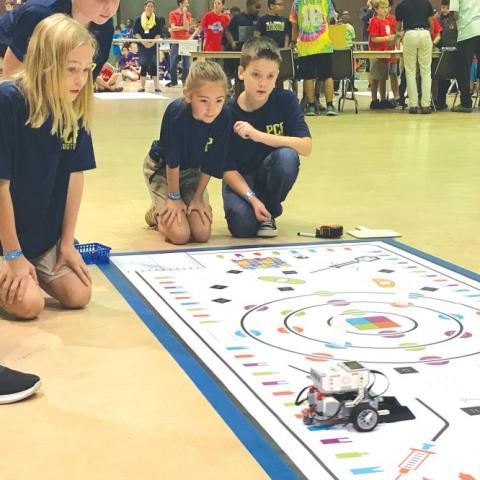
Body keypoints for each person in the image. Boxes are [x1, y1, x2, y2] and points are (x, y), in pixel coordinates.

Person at [0, 13, 96, 321]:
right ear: (45, 62)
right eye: (71, 70)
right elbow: (0, 185)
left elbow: (74, 176)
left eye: (86, 70)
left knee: (79, 295)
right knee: (29, 306)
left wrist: (66, 242)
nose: (80, 80)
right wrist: (13, 255)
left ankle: (29, 267)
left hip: (41, 237)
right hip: (6, 239)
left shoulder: (74, 107)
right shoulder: (9, 101)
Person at [222, 37, 312, 238]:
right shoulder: (227, 113)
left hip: (270, 171)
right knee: (243, 227)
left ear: (277, 76)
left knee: (287, 157)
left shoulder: (285, 100)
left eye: (270, 76)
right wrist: (252, 199)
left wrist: (257, 135)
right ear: (241, 72)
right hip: (241, 179)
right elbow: (226, 168)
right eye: (256, 75)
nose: (263, 83)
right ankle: (257, 207)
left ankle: (269, 210)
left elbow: (306, 147)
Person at [143, 60, 231, 245]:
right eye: (204, 101)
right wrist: (174, 198)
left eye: (219, 101)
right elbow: (172, 162)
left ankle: (181, 203)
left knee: (201, 233)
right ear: (188, 96)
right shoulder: (176, 113)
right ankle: (156, 214)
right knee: (180, 236)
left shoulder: (224, 118)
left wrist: (198, 197)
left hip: (192, 172)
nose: (211, 109)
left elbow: (212, 163)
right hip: (163, 171)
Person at [0, 0, 119, 78]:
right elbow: (11, 74)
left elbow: (85, 86)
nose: (109, 7)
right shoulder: (39, 14)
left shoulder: (105, 29)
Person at [290, 0, 338, 116]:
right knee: (327, 75)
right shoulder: (326, 1)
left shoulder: (297, 2)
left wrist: (293, 41)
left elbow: (295, 24)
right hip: (323, 44)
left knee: (308, 76)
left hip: (305, 44)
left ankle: (311, 106)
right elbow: (331, 20)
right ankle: (330, 105)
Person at [395, 0, 434, 114]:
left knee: (410, 71)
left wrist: (400, 35)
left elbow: (397, 28)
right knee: (426, 71)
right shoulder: (426, 3)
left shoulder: (401, 5)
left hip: (409, 34)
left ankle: (413, 106)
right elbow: (431, 24)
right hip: (424, 33)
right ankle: (426, 105)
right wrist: (427, 35)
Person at [449, 0, 480, 112]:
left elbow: (455, 14)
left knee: (462, 69)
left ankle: (466, 103)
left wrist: (453, 23)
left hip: (467, 31)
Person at [368, 0, 397, 109]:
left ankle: (383, 99)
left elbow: (389, 37)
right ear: (376, 9)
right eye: (382, 8)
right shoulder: (374, 21)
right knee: (375, 78)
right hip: (376, 53)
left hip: (385, 54)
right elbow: (374, 38)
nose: (385, 10)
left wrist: (394, 38)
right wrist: (387, 38)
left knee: (383, 78)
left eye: (386, 8)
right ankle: (374, 99)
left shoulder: (387, 22)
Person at [133, 1, 162, 93]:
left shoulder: (157, 19)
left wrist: (151, 43)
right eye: (148, 6)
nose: (150, 8)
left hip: (153, 46)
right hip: (142, 46)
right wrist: (144, 42)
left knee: (154, 65)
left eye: (152, 6)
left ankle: (156, 87)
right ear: (145, 7)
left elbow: (159, 34)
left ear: (154, 9)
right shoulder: (138, 19)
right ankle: (142, 87)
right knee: (144, 65)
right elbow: (136, 33)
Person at [167, 0, 192, 87]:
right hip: (175, 40)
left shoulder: (188, 14)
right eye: (185, 3)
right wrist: (182, 28)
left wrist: (184, 14)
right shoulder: (172, 13)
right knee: (173, 62)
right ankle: (174, 81)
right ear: (180, 4)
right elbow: (173, 27)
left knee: (187, 65)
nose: (187, 5)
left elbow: (187, 28)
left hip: (185, 41)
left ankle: (184, 80)